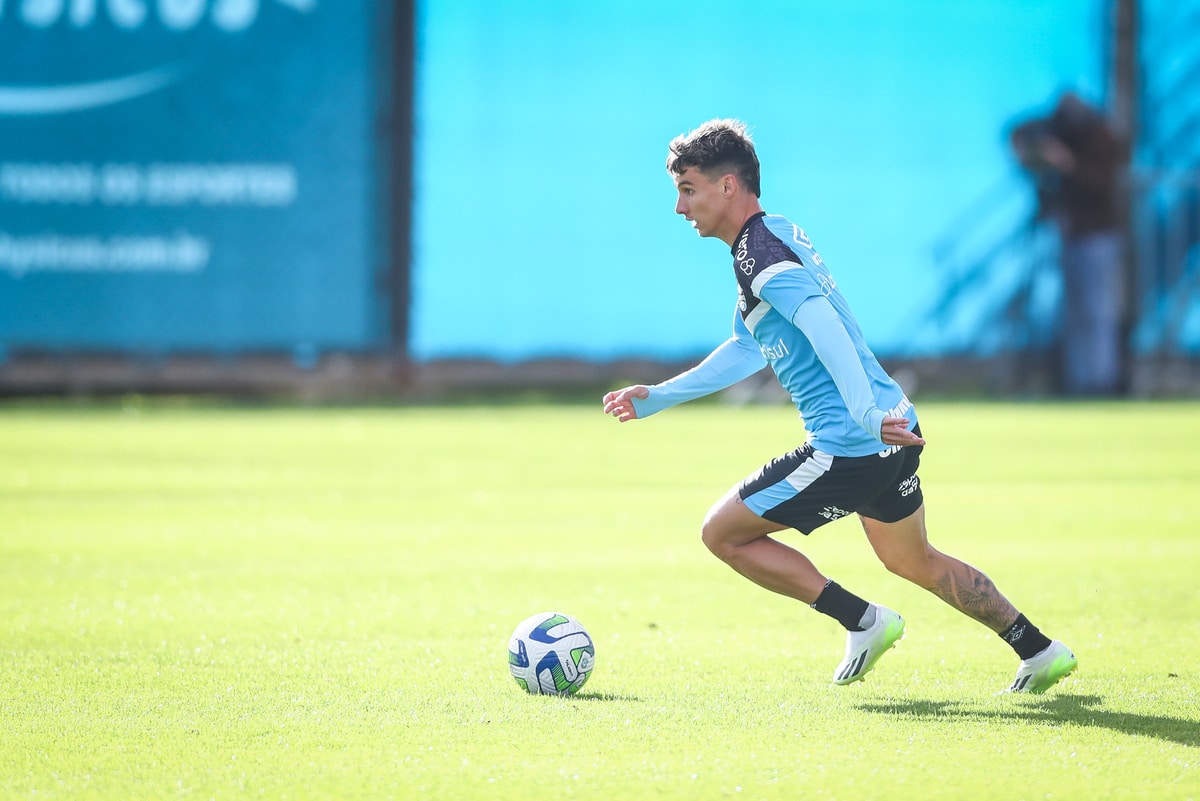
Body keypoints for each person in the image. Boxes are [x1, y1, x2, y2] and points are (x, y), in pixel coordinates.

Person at [603, 119, 1077, 694]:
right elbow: (748, 348)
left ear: (727, 186)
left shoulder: (759, 255)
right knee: (913, 561)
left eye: (688, 190)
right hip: (893, 426)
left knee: (721, 533)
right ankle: (1039, 649)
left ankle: (862, 620)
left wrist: (864, 413)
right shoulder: (774, 235)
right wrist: (658, 397)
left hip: (852, 442)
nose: (680, 208)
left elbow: (823, 325)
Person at [1010, 91, 1128, 397]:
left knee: (1097, 311)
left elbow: (1099, 184)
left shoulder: (1101, 140)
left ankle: (1101, 382)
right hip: (1072, 235)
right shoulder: (1062, 130)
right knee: (1075, 313)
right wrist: (1032, 152)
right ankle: (1079, 382)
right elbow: (1019, 131)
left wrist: (1067, 162)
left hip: (1098, 236)